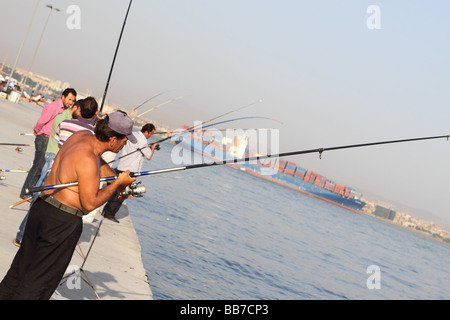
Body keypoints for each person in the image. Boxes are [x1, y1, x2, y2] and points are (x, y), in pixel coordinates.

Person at [0, 111, 137, 300]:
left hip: (42, 208)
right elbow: (89, 204)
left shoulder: (81, 136)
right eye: (124, 141)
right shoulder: (89, 159)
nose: (124, 145)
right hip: (61, 221)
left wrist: (114, 176)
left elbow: (98, 163)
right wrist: (117, 184)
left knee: (19, 270)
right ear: (113, 140)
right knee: (38, 283)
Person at [13, 98, 97, 246]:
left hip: (53, 169)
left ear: (79, 109)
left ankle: (22, 235)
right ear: (96, 113)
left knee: (38, 202)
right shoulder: (93, 134)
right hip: (72, 178)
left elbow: (58, 142)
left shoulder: (65, 124)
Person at [19, 88, 77, 199]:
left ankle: (31, 191)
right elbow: (41, 121)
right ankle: (25, 192)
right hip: (44, 138)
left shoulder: (66, 111)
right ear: (63, 97)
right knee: (38, 167)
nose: (70, 102)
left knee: (41, 168)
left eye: (73, 101)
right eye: (69, 99)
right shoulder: (53, 107)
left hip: (50, 141)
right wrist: (37, 130)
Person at [102, 123, 158, 223]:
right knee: (122, 193)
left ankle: (105, 211)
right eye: (151, 133)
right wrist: (153, 147)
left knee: (115, 191)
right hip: (130, 170)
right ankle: (109, 214)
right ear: (147, 132)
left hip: (121, 166)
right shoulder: (142, 141)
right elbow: (149, 156)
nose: (151, 135)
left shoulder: (133, 135)